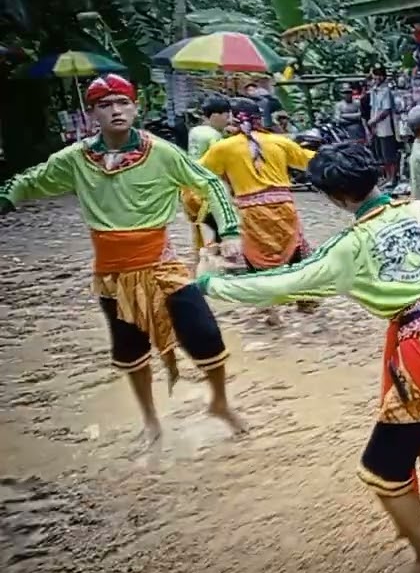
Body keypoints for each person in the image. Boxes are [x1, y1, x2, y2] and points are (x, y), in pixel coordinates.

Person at [197, 142, 420, 573]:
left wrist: (212, 284)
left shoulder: (348, 246)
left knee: (383, 467)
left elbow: (280, 284)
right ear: (375, 174)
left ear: (335, 198)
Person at [0, 74, 246, 443]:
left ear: (135, 107)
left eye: (122, 103)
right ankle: (150, 420)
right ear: (92, 113)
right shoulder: (76, 158)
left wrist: (230, 232)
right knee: (130, 349)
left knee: (205, 333)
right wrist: (6, 199)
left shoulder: (161, 152)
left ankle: (220, 403)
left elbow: (208, 182)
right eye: (105, 105)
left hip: (163, 265)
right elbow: (30, 180)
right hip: (112, 273)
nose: (115, 110)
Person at [199, 97, 317, 327]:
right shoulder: (279, 142)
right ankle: (306, 298)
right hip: (284, 206)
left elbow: (196, 172)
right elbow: (309, 161)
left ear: (233, 119)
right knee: (295, 250)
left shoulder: (223, 148)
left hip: (249, 210)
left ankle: (269, 307)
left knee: (256, 259)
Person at [182, 95, 232, 250]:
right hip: (207, 188)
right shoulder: (214, 136)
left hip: (190, 186)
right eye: (226, 116)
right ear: (215, 115)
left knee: (202, 227)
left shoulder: (196, 131)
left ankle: (202, 254)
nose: (229, 120)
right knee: (218, 229)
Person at [368, 66, 400, 183]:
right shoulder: (374, 90)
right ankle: (387, 178)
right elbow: (373, 108)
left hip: (386, 126)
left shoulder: (386, 90)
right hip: (376, 126)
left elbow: (386, 111)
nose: (375, 79)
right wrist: (372, 124)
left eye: (377, 76)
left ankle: (392, 178)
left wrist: (374, 121)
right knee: (381, 154)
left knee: (389, 153)